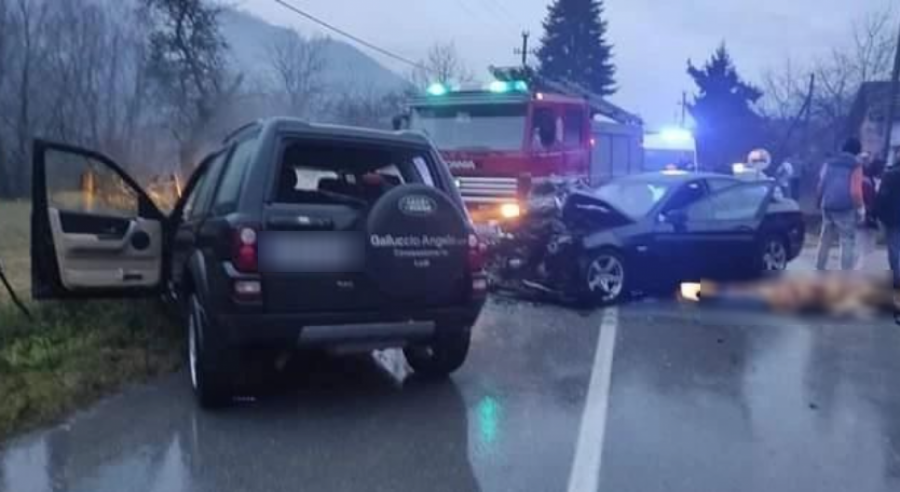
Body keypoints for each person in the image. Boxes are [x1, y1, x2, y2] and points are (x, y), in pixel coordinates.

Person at [816, 138, 864, 271]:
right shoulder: (856, 165)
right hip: (845, 208)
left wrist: (819, 200)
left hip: (827, 204)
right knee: (847, 241)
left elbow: (821, 184)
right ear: (857, 151)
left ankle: (819, 268)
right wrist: (860, 208)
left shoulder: (829, 163)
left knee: (824, 239)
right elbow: (855, 191)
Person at [875, 157, 900, 289]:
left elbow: (882, 196)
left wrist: (876, 212)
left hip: (894, 217)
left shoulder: (890, 175)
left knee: (895, 248)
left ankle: (897, 278)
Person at [856, 157, 885, 270]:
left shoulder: (866, 180)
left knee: (862, 242)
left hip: (863, 213)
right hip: (867, 213)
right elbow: (871, 199)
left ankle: (858, 265)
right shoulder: (870, 182)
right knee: (863, 242)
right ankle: (858, 266)